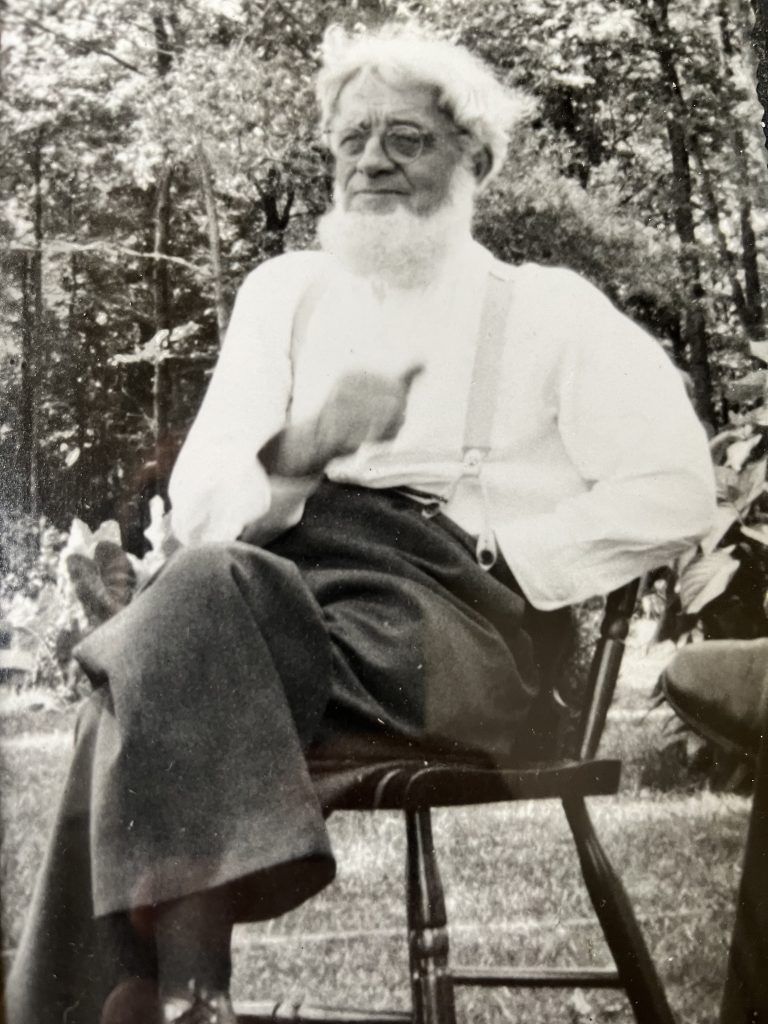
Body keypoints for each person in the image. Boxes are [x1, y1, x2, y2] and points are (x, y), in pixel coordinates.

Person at [5, 24, 716, 1024]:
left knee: (149, 661)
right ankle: (186, 996)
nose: (371, 161)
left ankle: (145, 996)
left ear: (472, 156)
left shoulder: (549, 312)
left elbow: (679, 486)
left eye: (405, 138)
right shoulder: (284, 296)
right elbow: (208, 504)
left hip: (460, 632)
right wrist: (302, 446)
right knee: (202, 592)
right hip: (290, 619)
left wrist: (509, 550)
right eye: (351, 140)